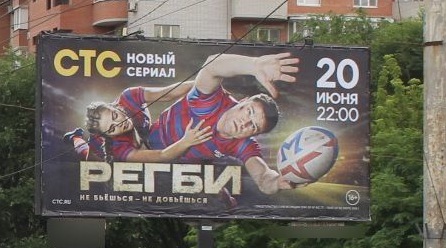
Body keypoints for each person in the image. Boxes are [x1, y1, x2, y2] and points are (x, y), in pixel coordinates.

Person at [102, 51, 300, 196]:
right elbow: (212, 65)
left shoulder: (242, 144)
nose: (244, 123)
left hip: (179, 176)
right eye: (249, 112)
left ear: (253, 135)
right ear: (243, 101)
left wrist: (275, 182)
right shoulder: (210, 102)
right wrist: (253, 65)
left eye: (253, 127)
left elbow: (262, 176)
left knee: (222, 204)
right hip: (149, 149)